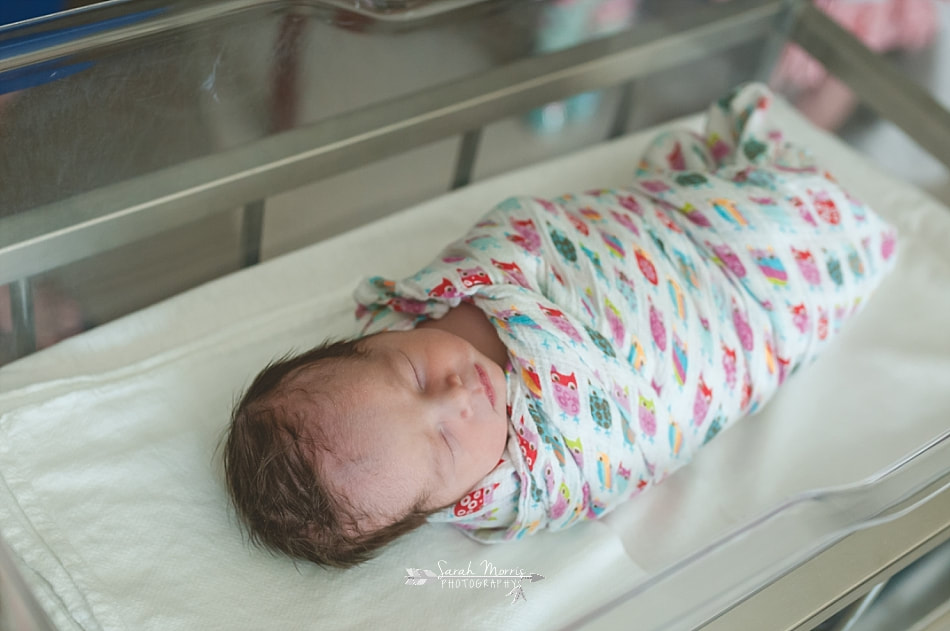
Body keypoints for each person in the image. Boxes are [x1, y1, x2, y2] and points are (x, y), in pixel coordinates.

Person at [222, 84, 898, 568]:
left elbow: (529, 225)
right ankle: (808, 222)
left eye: (414, 373)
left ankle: (752, 199)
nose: (458, 396)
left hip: (663, 237)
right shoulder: (532, 481)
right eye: (444, 445)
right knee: (782, 239)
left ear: (375, 337)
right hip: (720, 318)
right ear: (449, 502)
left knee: (745, 211)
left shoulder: (425, 297)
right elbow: (636, 443)